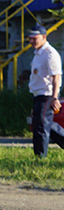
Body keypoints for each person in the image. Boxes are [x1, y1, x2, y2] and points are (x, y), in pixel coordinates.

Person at [28, 24, 62, 158]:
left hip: (46, 96)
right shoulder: (37, 53)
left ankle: (40, 157)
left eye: (34, 38)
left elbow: (56, 77)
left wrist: (55, 98)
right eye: (30, 38)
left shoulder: (49, 54)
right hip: (38, 95)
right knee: (43, 125)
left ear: (43, 37)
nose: (31, 41)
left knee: (41, 127)